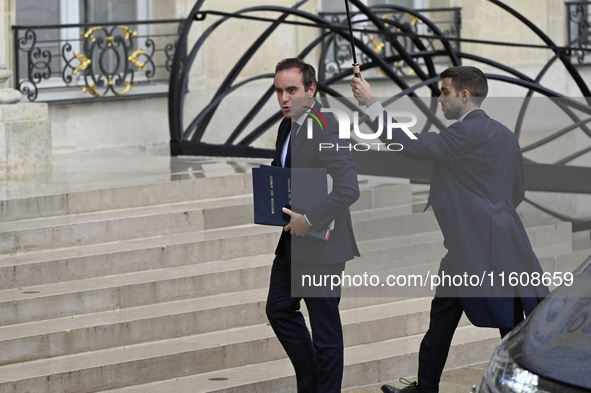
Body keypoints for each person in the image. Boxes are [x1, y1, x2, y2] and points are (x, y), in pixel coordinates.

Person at [350, 66, 549, 393]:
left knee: (509, 327)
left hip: (483, 249)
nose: (439, 98)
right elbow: (517, 192)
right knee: (446, 322)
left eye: (445, 92)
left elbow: (411, 144)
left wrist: (372, 104)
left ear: (465, 95)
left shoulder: (464, 134)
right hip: (479, 246)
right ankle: (425, 387)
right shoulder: (505, 135)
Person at [266, 57, 360, 393]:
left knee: (325, 332)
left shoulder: (326, 124)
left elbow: (349, 187)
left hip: (322, 245)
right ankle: (311, 381)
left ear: (311, 89)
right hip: (292, 242)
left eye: (291, 89)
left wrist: (311, 218)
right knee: (278, 310)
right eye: (279, 91)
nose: (284, 98)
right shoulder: (285, 126)